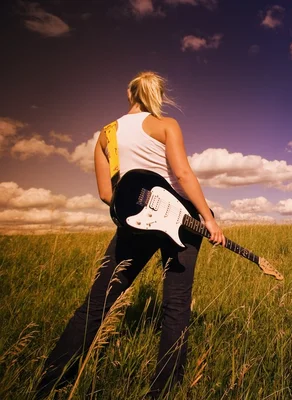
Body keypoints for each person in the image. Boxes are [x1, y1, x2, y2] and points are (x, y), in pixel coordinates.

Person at [36, 71, 226, 399]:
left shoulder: (106, 134)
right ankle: (163, 392)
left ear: (129, 93)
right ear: (159, 95)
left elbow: (106, 195)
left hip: (137, 220)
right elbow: (181, 173)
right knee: (177, 304)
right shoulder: (167, 125)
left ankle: (49, 384)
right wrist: (208, 219)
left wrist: (143, 209)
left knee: (97, 302)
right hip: (183, 220)